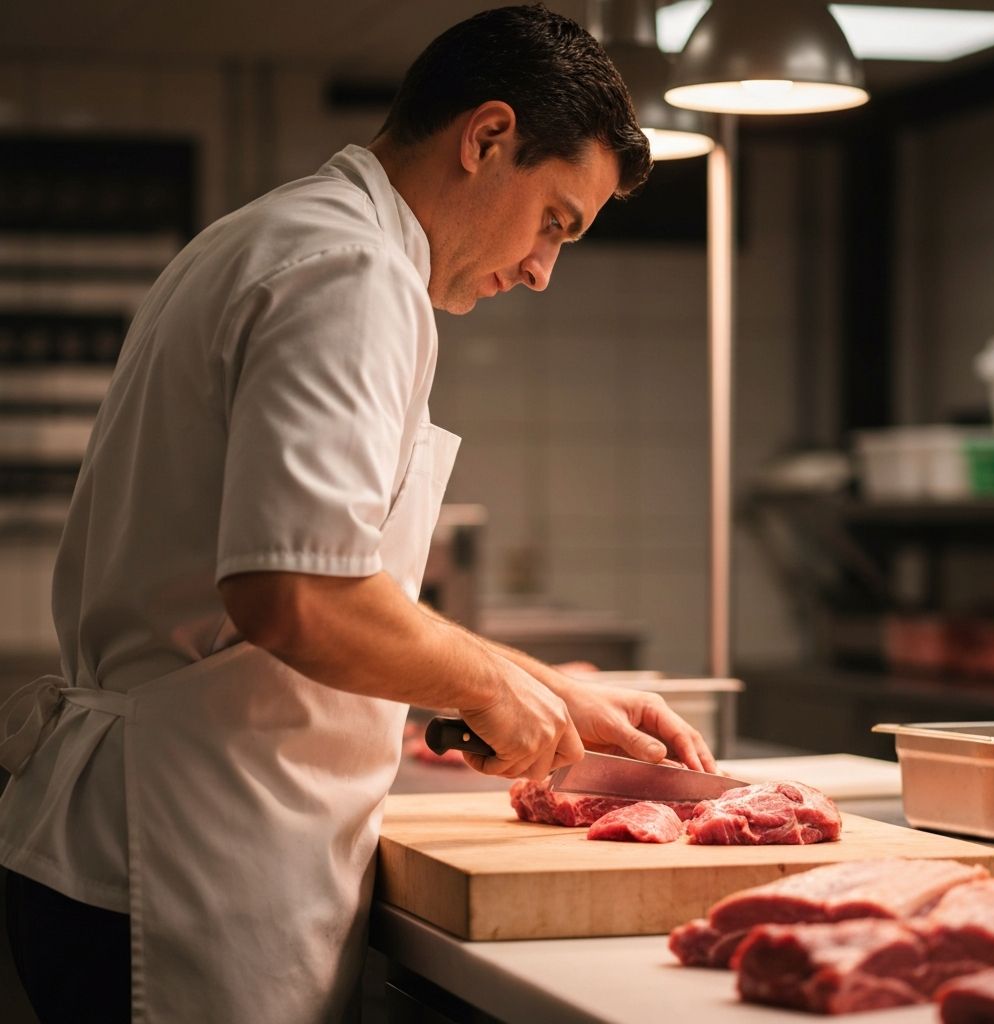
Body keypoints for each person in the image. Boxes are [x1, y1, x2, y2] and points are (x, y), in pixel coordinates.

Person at [0, 5, 716, 1023]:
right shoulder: (352, 270)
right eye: (554, 220)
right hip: (175, 863)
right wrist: (492, 691)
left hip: (146, 837)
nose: (540, 269)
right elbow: (293, 595)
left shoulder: (290, 235)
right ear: (487, 137)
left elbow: (332, 573)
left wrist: (540, 687)